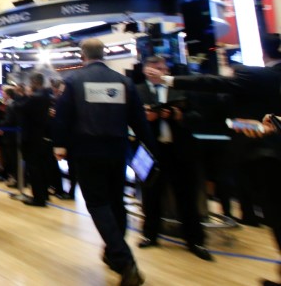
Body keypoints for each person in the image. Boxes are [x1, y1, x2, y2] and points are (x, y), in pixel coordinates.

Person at [145, 33, 281, 286]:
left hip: (245, 156)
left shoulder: (254, 76)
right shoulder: (141, 90)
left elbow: (209, 89)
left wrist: (178, 113)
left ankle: (195, 239)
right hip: (158, 151)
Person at [53, 38, 154, 286]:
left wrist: (59, 145)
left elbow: (63, 117)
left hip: (87, 151)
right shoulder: (123, 81)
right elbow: (139, 119)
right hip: (117, 151)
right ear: (104, 54)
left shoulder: (73, 81)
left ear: (82, 55)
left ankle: (125, 261)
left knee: (98, 204)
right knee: (116, 203)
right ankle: (113, 253)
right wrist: (150, 147)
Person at [135, 56, 212, 261]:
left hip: (180, 151)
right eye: (153, 68)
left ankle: (195, 240)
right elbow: (130, 120)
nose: (157, 71)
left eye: (161, 68)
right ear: (145, 71)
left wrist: (178, 115)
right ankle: (150, 235)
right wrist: (145, 117)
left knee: (186, 197)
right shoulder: (137, 91)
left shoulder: (181, 88)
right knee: (151, 196)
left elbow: (198, 116)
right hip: (151, 152)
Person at [15, 72, 53, 206]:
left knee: (34, 168)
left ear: (35, 82)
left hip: (32, 137)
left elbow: (19, 107)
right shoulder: (46, 95)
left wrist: (20, 95)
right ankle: (44, 195)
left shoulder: (36, 97)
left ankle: (38, 198)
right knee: (41, 167)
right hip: (41, 136)